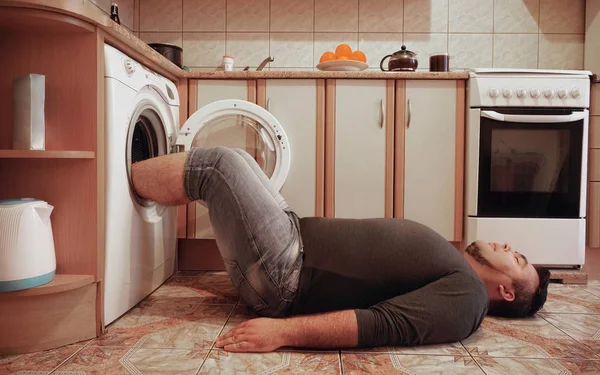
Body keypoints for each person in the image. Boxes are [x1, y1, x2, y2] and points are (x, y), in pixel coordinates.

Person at [131, 146, 551, 353]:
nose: (508, 246)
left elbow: (380, 325)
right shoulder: (458, 278)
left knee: (219, 167)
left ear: (507, 292)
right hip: (292, 242)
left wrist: (282, 334)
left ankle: (108, 186)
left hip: (285, 274)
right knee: (239, 156)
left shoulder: (469, 299)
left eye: (516, 259)